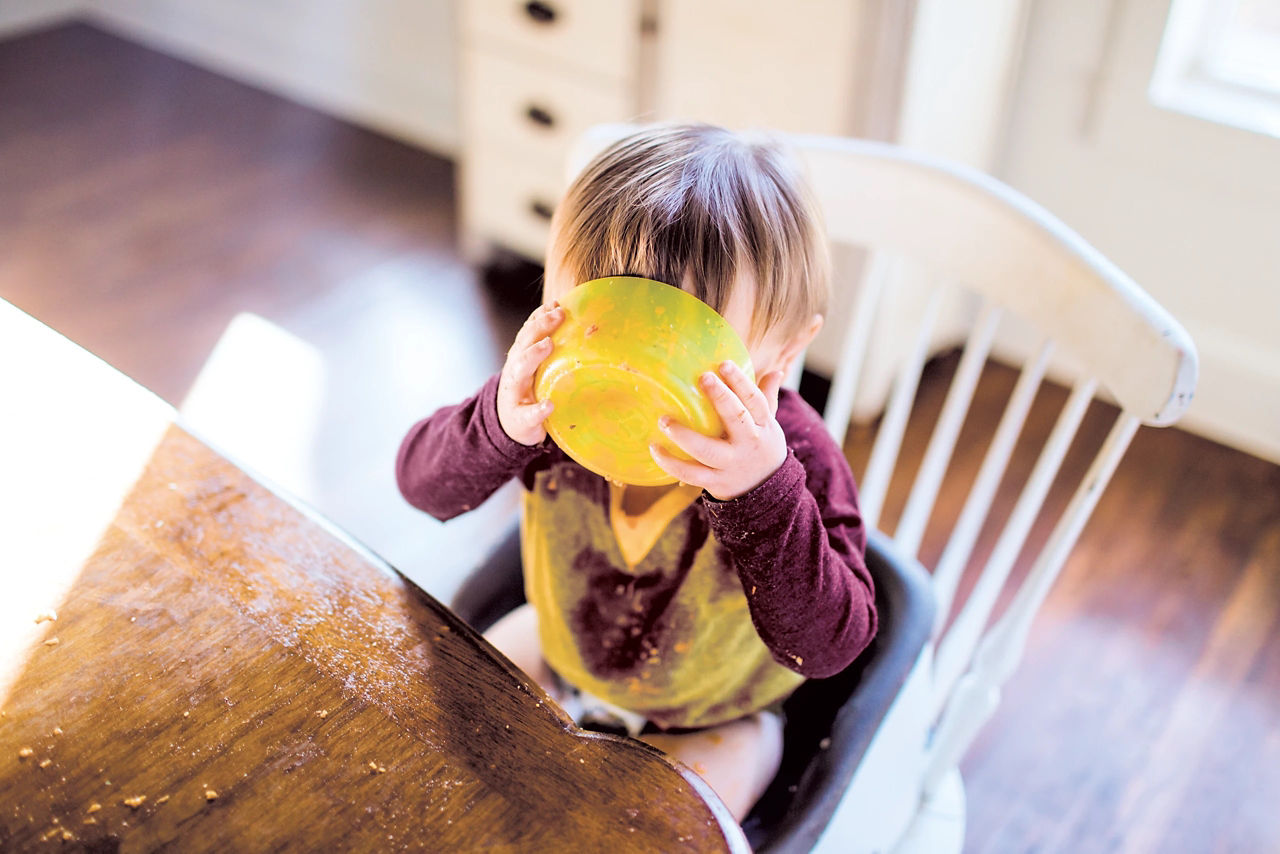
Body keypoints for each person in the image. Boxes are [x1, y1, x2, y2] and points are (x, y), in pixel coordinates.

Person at [397, 123, 877, 820]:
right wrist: (498, 425)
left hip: (717, 711)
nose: (630, 363)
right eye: (602, 314)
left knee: (662, 823)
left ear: (783, 351)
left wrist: (760, 495)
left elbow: (831, 645)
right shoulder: (548, 409)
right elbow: (420, 484)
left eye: (682, 336)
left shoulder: (791, 459)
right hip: (563, 648)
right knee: (441, 726)